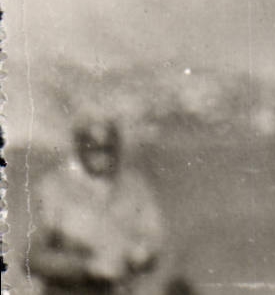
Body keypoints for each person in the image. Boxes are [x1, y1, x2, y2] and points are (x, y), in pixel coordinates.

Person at [26, 117, 170, 295]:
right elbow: (31, 256)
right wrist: (84, 264)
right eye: (92, 146)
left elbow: (152, 238)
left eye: (108, 147)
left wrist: (139, 254)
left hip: (121, 286)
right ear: (79, 146)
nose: (101, 154)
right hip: (69, 288)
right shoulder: (53, 186)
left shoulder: (135, 186)